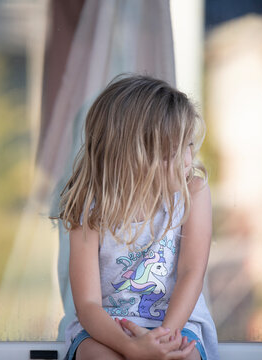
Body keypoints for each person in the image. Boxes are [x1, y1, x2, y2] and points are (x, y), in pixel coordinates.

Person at [56, 75, 219, 360]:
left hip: (176, 324)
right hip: (107, 329)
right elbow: (88, 304)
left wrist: (163, 340)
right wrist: (131, 347)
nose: (187, 160)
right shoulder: (91, 207)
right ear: (130, 157)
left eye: (188, 145)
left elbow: (192, 272)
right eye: (171, 153)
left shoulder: (193, 192)